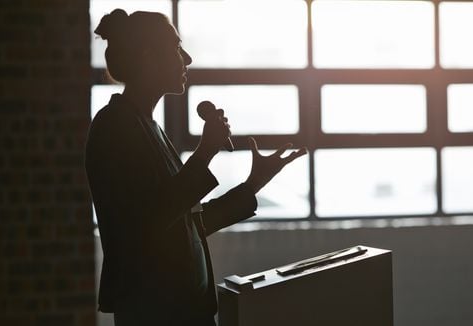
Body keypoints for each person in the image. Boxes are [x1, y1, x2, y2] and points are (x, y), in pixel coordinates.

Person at [85, 9, 307, 326]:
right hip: (155, 313)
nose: (187, 59)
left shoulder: (148, 127)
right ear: (148, 57)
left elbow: (184, 226)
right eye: (176, 48)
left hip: (184, 310)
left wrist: (252, 184)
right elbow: (143, 225)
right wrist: (204, 152)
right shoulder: (113, 127)